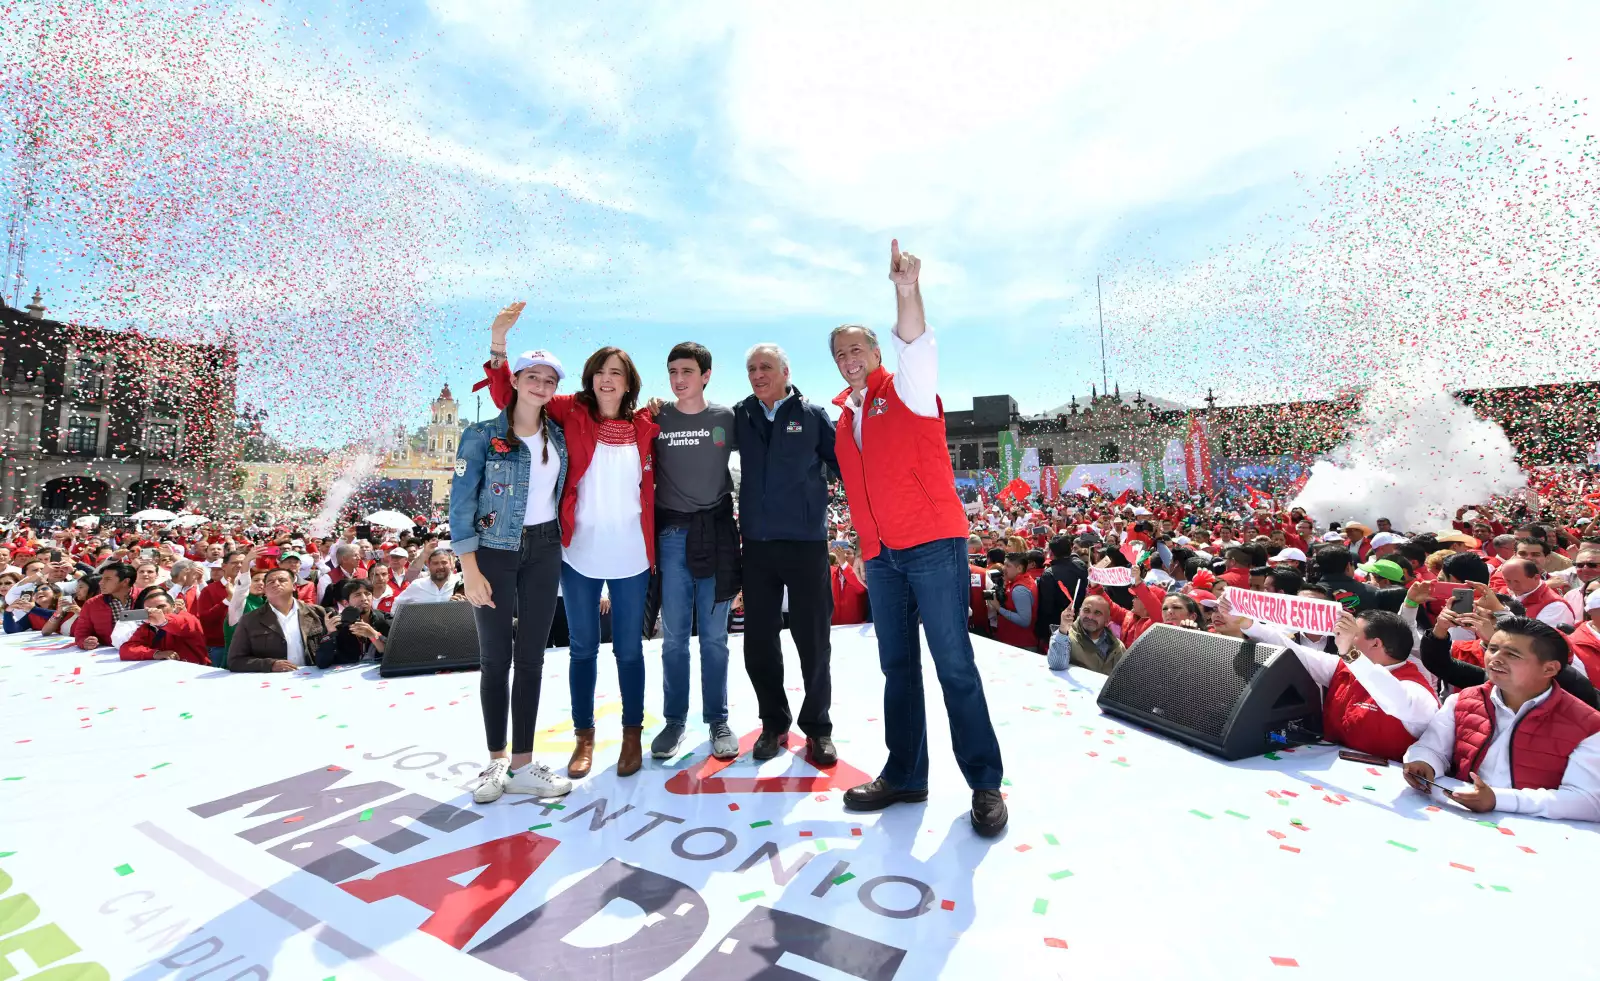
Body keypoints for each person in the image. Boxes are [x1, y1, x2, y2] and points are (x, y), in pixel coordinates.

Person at [830, 240, 1006, 837]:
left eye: (857, 347)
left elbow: (914, 338)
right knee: (897, 668)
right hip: (881, 556)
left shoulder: (904, 386)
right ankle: (906, 772)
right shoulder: (844, 418)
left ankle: (985, 784)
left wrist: (906, 291)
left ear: (877, 351)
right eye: (839, 353)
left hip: (931, 545)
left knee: (954, 665)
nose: (849, 357)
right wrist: (859, 545)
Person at [479, 320, 662, 780]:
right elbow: (511, 397)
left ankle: (631, 734)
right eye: (601, 370)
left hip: (631, 555)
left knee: (629, 651)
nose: (607, 378)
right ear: (590, 377)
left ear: (629, 382)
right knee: (582, 649)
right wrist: (499, 349)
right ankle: (585, 737)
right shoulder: (570, 411)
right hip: (577, 552)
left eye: (617, 372)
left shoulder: (646, 424)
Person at [452, 346, 572, 802]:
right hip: (493, 551)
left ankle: (523, 762)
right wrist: (469, 567)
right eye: (533, 377)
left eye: (550, 381)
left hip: (544, 549)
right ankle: (496, 761)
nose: (541, 386)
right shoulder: (483, 435)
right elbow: (461, 502)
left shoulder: (557, 436)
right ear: (516, 380)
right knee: (494, 657)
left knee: (532, 659)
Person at [729, 340, 841, 765]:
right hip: (756, 546)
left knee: (813, 639)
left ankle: (818, 728)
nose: (758, 375)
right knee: (758, 641)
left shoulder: (812, 416)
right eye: (752, 368)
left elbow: (844, 465)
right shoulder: (741, 414)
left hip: (806, 544)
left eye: (766, 367)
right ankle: (773, 723)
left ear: (786, 372)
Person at [646, 341, 742, 762]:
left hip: (717, 538)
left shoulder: (726, 418)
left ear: (706, 375)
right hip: (672, 537)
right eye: (672, 372)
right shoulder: (655, 417)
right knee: (674, 640)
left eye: (687, 371)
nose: (678, 379)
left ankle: (718, 719)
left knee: (716, 639)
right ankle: (674, 720)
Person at [1403, 617, 1600, 821]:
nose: (1495, 659)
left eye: (1512, 654)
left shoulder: (1589, 726)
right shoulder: (1463, 700)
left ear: (1549, 669)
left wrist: (1499, 799)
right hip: (1459, 818)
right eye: (1492, 649)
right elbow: (1431, 747)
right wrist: (1424, 763)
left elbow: (1587, 801)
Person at [1235, 601, 1438, 760]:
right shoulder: (1343, 666)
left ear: (1376, 643)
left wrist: (1350, 654)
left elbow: (1395, 700)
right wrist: (1249, 625)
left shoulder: (1416, 689)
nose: (1340, 636)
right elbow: (1294, 651)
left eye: (1352, 634)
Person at [227, 568, 328, 672]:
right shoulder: (249, 620)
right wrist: (270, 665)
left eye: (282, 580)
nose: (276, 584)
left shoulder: (317, 613)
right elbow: (235, 661)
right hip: (271, 682)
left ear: (294, 586)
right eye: (271, 582)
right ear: (265, 590)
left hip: (311, 678)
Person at [118, 588, 209, 664]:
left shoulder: (188, 618)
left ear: (173, 606)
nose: (155, 610)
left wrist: (163, 621)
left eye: (161, 606)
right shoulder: (147, 627)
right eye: (149, 608)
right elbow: (126, 649)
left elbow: (180, 624)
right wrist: (155, 654)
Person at [314, 580, 391, 668]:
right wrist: (331, 634)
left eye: (367, 593)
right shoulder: (337, 625)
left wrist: (373, 635)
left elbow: (393, 655)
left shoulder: (384, 619)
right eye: (357, 595)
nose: (364, 598)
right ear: (346, 603)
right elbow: (322, 663)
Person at [1033, 534, 1088, 651]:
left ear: (1052, 553)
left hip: (1057, 627)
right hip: (1079, 621)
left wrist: (1042, 633)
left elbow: (1046, 607)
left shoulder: (1049, 574)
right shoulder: (1081, 566)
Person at [1046, 595, 1126, 674]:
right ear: (1079, 612)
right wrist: (1063, 629)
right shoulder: (1066, 637)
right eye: (1086, 610)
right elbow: (1057, 665)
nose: (1090, 617)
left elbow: (1124, 678)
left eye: (1097, 613)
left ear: (1107, 621)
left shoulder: (1117, 647)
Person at [193, 550, 246, 665]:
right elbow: (205, 619)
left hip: (247, 646)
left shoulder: (250, 589)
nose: (239, 566)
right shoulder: (209, 590)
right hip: (219, 648)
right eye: (235, 563)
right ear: (224, 566)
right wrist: (227, 601)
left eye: (243, 562)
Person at [1497, 558, 1576, 628]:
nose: (1512, 586)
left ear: (1536, 578)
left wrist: (1499, 610)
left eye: (1517, 581)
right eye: (1507, 581)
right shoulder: (1506, 593)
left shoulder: (1555, 607)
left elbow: (1536, 640)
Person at [71, 563, 134, 650]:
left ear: (125, 582)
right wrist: (85, 642)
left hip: (147, 655)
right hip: (109, 656)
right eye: (102, 578)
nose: (100, 583)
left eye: (107, 579)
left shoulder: (146, 597)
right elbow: (81, 634)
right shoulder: (91, 604)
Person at [988, 552, 1037, 650]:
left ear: (1019, 568)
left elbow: (1024, 621)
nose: (1003, 568)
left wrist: (998, 608)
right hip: (1015, 643)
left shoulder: (1020, 590)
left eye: (1008, 566)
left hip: (1019, 645)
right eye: (1004, 564)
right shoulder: (1024, 580)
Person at [390, 549, 460, 609]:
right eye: (435, 563)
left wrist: (464, 605)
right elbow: (396, 606)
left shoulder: (460, 583)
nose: (440, 567)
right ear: (428, 565)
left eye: (444, 563)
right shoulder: (417, 585)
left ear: (451, 564)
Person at [829, 548, 869, 626]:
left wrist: (844, 563)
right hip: (834, 629)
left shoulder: (862, 573)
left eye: (848, 553)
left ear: (856, 558)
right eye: (841, 552)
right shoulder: (831, 571)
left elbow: (861, 588)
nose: (844, 555)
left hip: (855, 628)